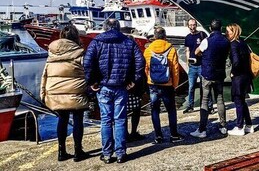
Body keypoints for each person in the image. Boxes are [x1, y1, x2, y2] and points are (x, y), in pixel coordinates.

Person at [84, 19, 145, 164]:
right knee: (120, 119)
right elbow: (140, 61)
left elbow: (87, 63)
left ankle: (106, 154)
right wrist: (133, 80)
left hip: (103, 86)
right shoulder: (128, 42)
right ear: (118, 27)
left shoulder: (96, 42)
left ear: (105, 27)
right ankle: (120, 153)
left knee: (106, 120)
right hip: (121, 86)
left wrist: (91, 82)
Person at [40, 25, 89, 162]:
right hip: (76, 91)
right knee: (78, 120)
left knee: (62, 120)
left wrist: (43, 92)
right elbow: (87, 72)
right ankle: (78, 151)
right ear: (76, 37)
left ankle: (61, 151)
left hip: (56, 91)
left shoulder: (52, 52)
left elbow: (45, 73)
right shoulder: (80, 52)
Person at [190, 19, 230, 138]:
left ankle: (202, 129)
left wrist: (204, 55)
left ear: (210, 29)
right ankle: (223, 126)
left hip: (207, 74)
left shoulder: (206, 40)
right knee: (220, 99)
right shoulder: (225, 41)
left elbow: (196, 52)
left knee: (204, 100)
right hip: (220, 74)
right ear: (221, 28)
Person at [144, 27, 184, 144]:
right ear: (165, 36)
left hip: (153, 84)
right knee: (171, 110)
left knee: (155, 110)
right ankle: (174, 135)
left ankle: (158, 136)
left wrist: (149, 80)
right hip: (168, 84)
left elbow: (146, 68)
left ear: (154, 37)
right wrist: (175, 84)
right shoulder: (171, 49)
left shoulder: (148, 50)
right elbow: (175, 69)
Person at [225, 23, 254, 136]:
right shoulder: (243, 43)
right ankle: (249, 125)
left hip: (238, 77)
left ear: (234, 32)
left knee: (238, 101)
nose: (226, 33)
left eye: (228, 31)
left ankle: (239, 126)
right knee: (242, 101)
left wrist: (233, 72)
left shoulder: (233, 45)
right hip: (246, 75)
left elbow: (236, 61)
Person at [183, 18, 214, 114]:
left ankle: (210, 106)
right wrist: (187, 61)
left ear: (196, 25)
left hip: (201, 65)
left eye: (194, 25)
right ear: (188, 26)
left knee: (205, 86)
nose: (192, 27)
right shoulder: (187, 37)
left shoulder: (202, 35)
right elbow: (187, 50)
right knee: (191, 87)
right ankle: (190, 106)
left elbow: (207, 48)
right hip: (192, 66)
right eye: (190, 25)